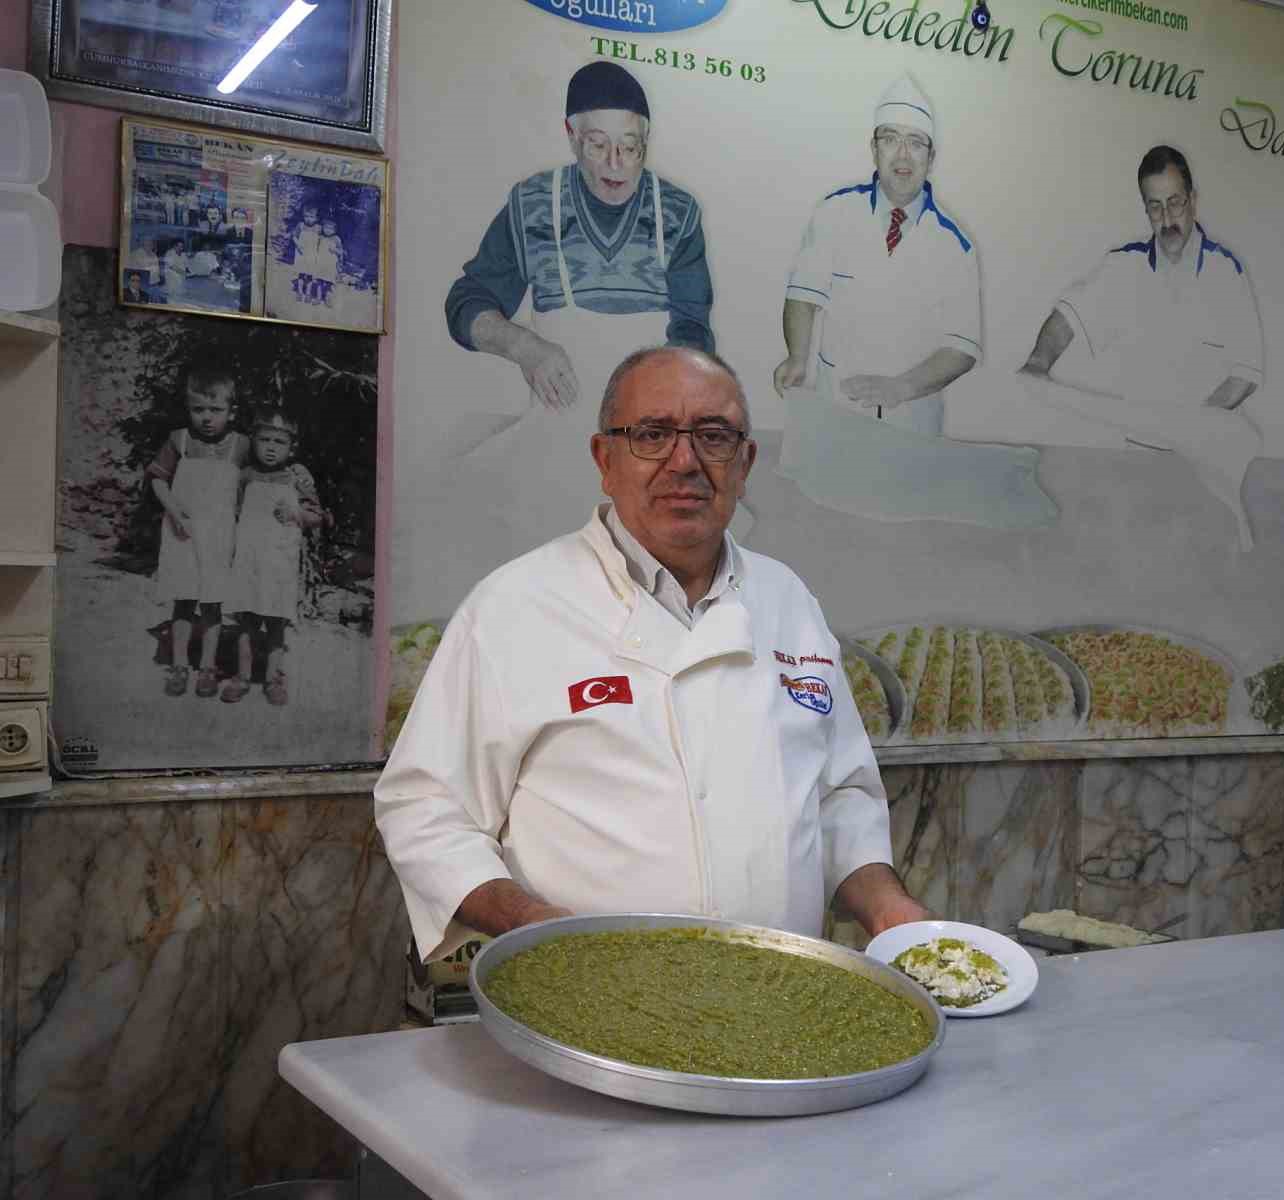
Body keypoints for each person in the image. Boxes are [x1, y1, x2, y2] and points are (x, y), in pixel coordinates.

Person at [376, 345, 929, 962]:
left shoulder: (789, 600)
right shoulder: (514, 606)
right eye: (652, 434)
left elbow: (837, 798)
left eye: (713, 436)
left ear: (744, 463)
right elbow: (424, 806)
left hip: (781, 1002)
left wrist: (889, 908)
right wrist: (532, 922)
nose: (685, 461)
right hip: (586, 1001)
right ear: (604, 460)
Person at [1019, 144, 1264, 549]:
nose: (1167, 219)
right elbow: (1067, 318)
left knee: (1206, 573)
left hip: (1202, 463)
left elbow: (1246, 373)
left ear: (1193, 200)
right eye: (1155, 207)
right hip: (1138, 462)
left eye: (1175, 203)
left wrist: (1191, 430)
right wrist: (1037, 362)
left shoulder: (1226, 271)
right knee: (1136, 568)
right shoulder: (1124, 266)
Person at [443, 61, 714, 411]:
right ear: (571, 136)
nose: (616, 164)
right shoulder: (533, 205)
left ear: (646, 141)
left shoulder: (678, 213)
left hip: (649, 422)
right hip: (558, 431)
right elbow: (465, 302)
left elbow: (693, 329)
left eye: (630, 147)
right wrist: (524, 347)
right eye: (598, 145)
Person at [773, 74, 980, 438]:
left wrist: (901, 388)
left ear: (931, 158)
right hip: (836, 407)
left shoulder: (955, 245)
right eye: (890, 139)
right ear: (874, 149)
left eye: (915, 143)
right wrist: (798, 356)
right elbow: (803, 296)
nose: (902, 154)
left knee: (906, 494)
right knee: (824, 493)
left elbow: (962, 347)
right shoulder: (835, 212)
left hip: (912, 420)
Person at [145, 366, 251, 699]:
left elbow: (264, 479)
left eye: (215, 410)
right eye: (198, 409)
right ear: (188, 409)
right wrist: (174, 509)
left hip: (220, 537)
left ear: (231, 412)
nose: (206, 417)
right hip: (182, 532)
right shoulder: (179, 440)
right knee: (183, 600)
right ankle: (178, 665)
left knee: (212, 605)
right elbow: (157, 479)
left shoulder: (241, 446)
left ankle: (207, 667)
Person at [220, 407, 328, 706]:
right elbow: (233, 514)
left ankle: (272, 678)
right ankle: (241, 676)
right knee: (247, 621)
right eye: (264, 440)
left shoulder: (297, 477)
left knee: (276, 622)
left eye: (278, 442)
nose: (270, 448)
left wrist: (296, 514)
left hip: (280, 564)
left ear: (292, 446)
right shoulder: (245, 475)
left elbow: (318, 516)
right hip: (248, 562)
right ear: (253, 440)